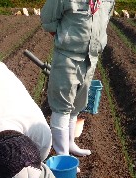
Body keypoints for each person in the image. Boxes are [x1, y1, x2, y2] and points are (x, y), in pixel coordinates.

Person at [40, 0, 115, 157]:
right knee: (62, 105)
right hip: (67, 56)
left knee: (77, 104)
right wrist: (66, 39)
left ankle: (70, 143)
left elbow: (105, 20)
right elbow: (48, 20)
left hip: (91, 58)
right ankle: (62, 155)